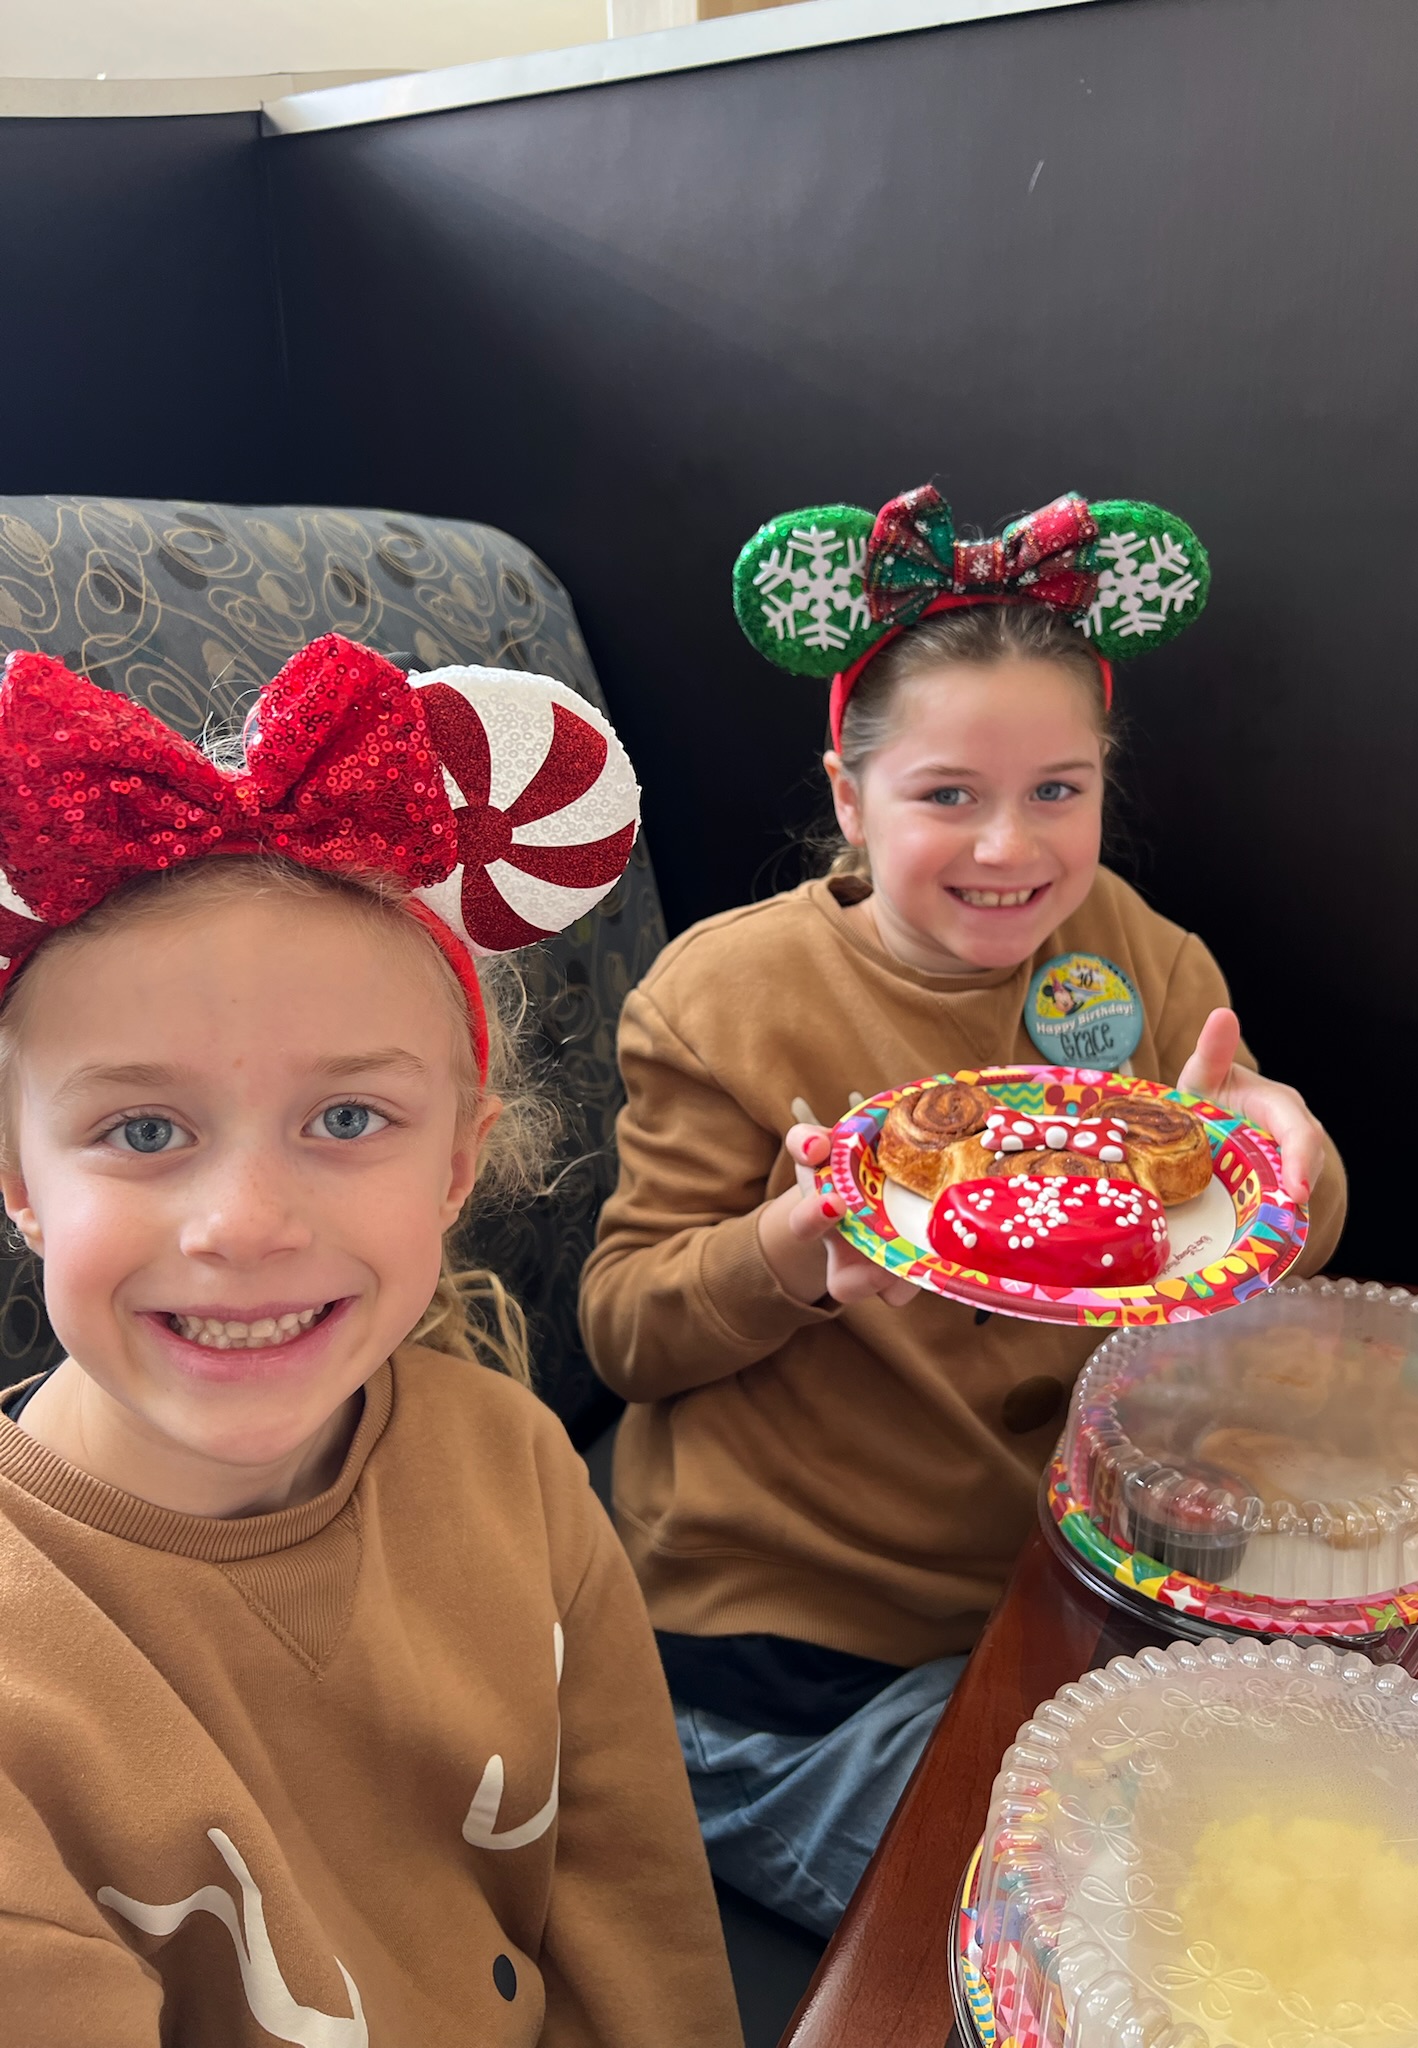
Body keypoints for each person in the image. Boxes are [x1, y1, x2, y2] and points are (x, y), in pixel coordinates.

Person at [579, 484, 1347, 1937]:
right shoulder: (724, 997)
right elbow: (624, 1330)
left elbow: (1261, 1237)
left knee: (1297, 1833)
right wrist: (787, 1251)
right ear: (848, 796)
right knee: (1082, 1939)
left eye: (1058, 790)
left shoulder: (1141, 955)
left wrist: (1286, 1159)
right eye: (948, 796)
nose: (1010, 848)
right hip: (789, 1652)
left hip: (1056, 1578)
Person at [0, 635, 743, 2047]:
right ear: (20, 1183)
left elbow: (641, 1930)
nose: (246, 1223)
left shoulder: (518, 1465)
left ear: (458, 1164)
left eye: (347, 1119)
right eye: (143, 1130)